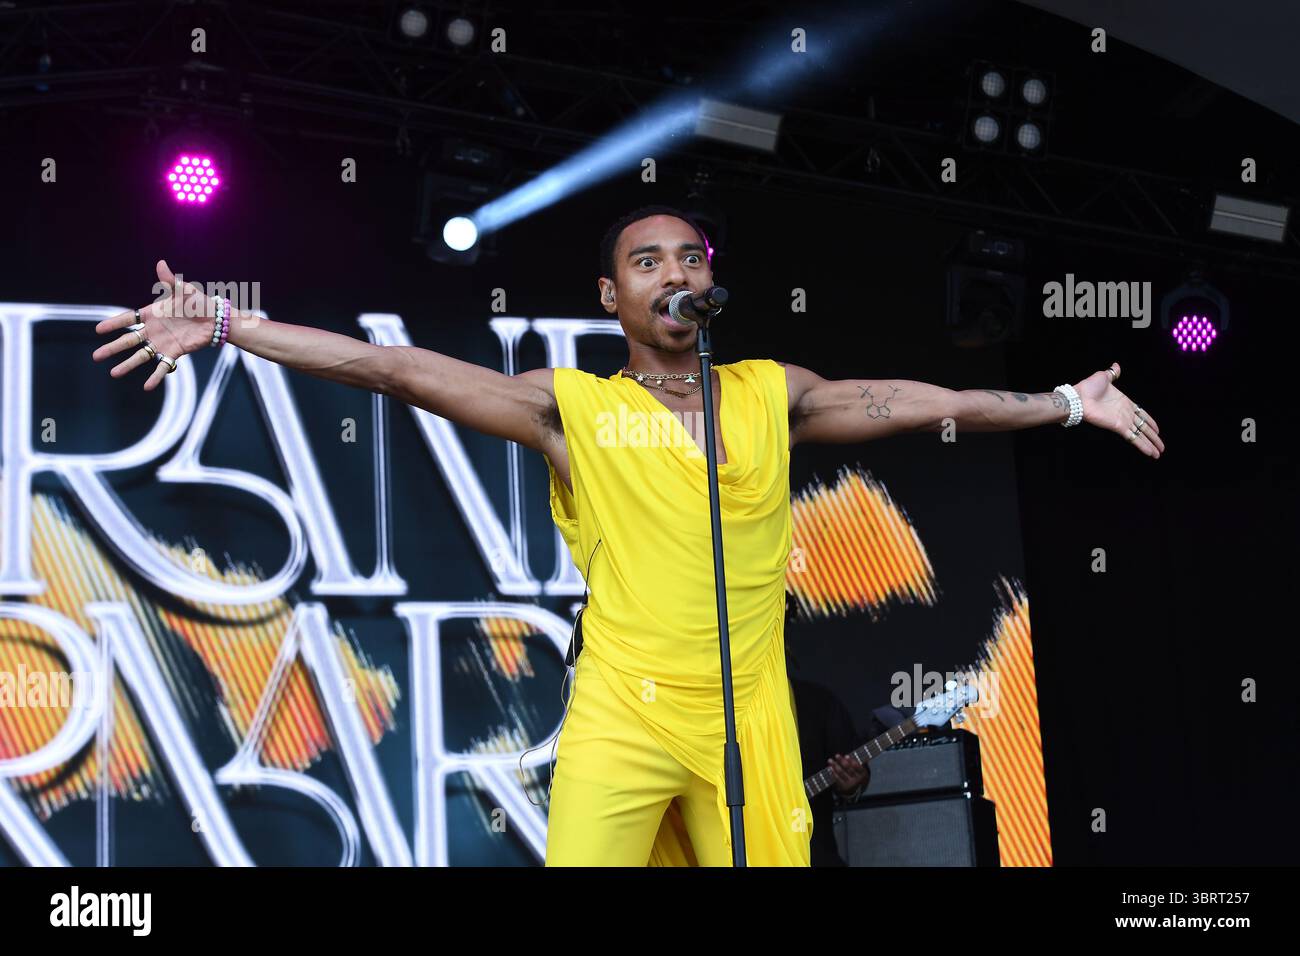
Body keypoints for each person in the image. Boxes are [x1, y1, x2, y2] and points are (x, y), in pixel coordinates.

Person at [91, 204, 1165, 866]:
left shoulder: (768, 393)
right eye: (647, 262)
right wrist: (229, 323)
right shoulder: (571, 408)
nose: (673, 273)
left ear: (712, 280)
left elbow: (922, 401)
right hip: (623, 710)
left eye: (689, 256)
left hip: (750, 720)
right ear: (613, 295)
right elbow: (392, 368)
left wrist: (1064, 403)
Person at [786, 666, 872, 867]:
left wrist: (852, 785)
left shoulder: (817, 701)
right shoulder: (724, 710)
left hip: (815, 854)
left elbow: (855, 774)